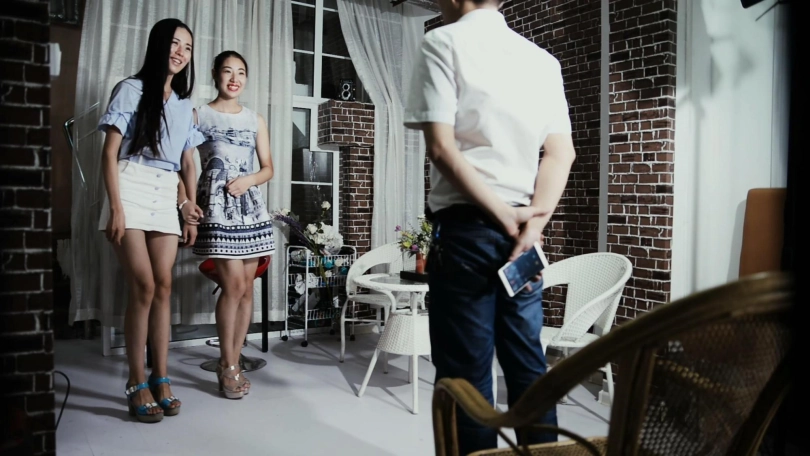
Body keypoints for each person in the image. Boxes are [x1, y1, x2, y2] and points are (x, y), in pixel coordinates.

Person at [404, 0, 576, 453]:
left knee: (468, 379)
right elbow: (561, 153)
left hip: (466, 233)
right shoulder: (543, 61)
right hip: (525, 239)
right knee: (529, 368)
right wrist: (531, 226)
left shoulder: (442, 42)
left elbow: (442, 149)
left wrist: (503, 216)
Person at [98, 18, 204, 423]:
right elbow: (109, 153)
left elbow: (187, 164)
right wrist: (116, 207)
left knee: (164, 286)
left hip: (166, 193)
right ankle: (135, 380)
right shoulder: (130, 89)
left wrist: (188, 207)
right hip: (129, 184)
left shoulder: (184, 106)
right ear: (159, 45)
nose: (180, 52)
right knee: (142, 285)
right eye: (175, 43)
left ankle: (161, 377)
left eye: (187, 48)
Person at [192, 51, 275, 399]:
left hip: (250, 207)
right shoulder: (199, 115)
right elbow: (183, 162)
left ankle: (235, 360)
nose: (234, 78)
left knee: (246, 289)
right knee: (233, 285)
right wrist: (186, 201)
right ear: (215, 74)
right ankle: (226, 366)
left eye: (241, 72)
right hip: (216, 207)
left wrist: (248, 180)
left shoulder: (255, 119)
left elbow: (268, 168)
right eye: (228, 71)